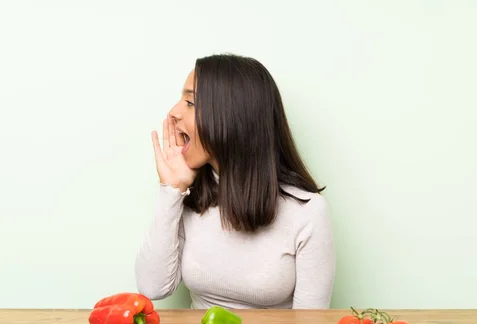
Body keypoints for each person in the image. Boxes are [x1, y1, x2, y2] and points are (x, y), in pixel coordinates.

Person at [134, 53, 335, 309]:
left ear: (232, 118)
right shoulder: (190, 196)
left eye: (190, 102)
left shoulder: (307, 211)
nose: (174, 112)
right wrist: (171, 190)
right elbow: (152, 287)